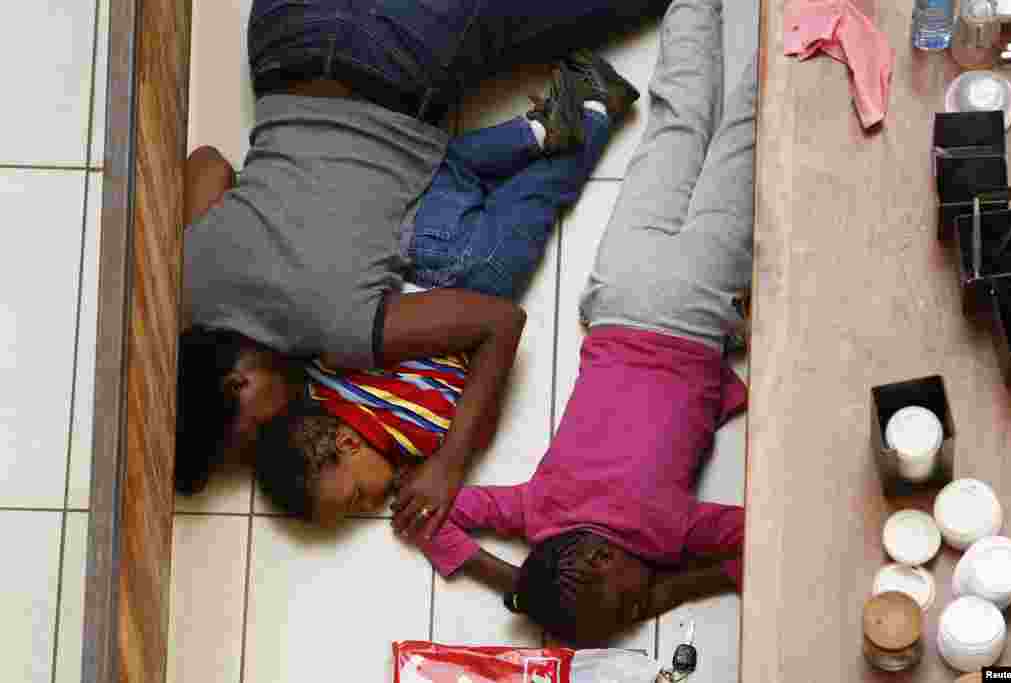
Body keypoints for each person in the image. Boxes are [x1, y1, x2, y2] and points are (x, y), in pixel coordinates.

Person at [177, 0, 670, 539]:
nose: (266, 437)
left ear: (238, 384)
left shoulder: (332, 332)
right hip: (282, 35)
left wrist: (451, 464)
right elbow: (206, 162)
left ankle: (581, 110)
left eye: (248, 437)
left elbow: (499, 322)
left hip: (396, 47)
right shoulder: (190, 282)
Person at [410, 0, 758, 646]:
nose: (640, 608)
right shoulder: (535, 513)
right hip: (618, 294)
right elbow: (431, 517)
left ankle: (806, 33)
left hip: (693, 307)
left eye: (629, 608)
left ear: (602, 561)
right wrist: (512, 581)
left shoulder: (665, 531)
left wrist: (672, 588)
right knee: (676, 126)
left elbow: (761, 539)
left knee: (746, 141)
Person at [250, 52, 640, 528]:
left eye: (355, 498)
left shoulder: (419, 435)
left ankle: (596, 105)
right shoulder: (317, 381)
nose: (369, 505)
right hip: (409, 240)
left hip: (474, 277)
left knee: (536, 195)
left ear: (349, 444)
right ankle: (532, 132)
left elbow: (478, 387)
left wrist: (444, 465)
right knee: (455, 169)